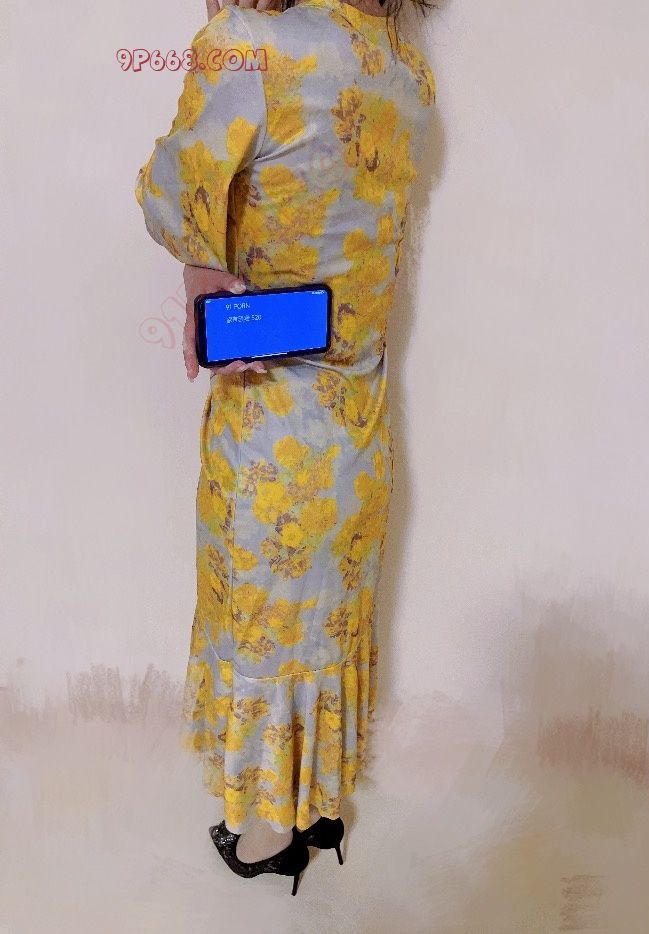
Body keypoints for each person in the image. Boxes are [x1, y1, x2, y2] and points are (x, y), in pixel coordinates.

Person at [135, 0, 437, 895]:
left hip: (272, 421)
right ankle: (320, 807)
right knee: (329, 621)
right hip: (361, 421)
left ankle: (266, 837)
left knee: (263, 627)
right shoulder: (403, 69)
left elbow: (171, 190)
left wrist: (200, 267)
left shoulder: (246, 46)